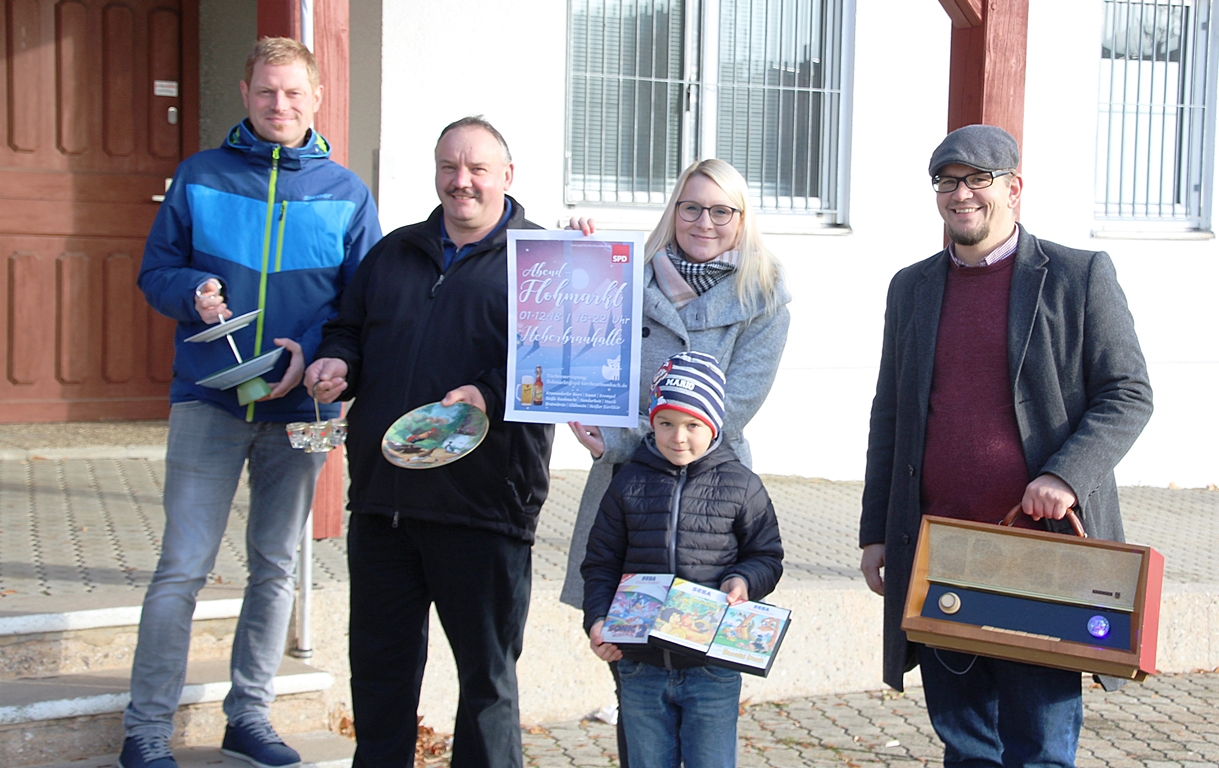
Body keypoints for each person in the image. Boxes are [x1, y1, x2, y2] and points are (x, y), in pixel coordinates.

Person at [858, 124, 1153, 768]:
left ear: (1013, 189)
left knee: (1040, 746)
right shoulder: (911, 287)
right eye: (947, 181)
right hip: (943, 551)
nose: (960, 194)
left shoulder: (1079, 275)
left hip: (1040, 555)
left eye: (977, 179)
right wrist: (876, 531)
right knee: (965, 744)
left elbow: (1129, 393)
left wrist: (1067, 476)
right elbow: (890, 416)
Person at [123, 38, 381, 768]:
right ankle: (146, 730)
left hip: (297, 411)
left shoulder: (345, 193)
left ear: (316, 98)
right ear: (245, 93)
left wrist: (310, 350)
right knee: (181, 566)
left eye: (293, 94)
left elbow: (360, 308)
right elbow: (155, 272)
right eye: (267, 92)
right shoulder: (199, 177)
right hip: (206, 402)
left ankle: (250, 715)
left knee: (273, 566)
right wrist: (189, 293)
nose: (279, 106)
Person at [303, 116, 554, 768]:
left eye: (476, 168)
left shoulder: (544, 262)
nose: (461, 181)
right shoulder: (395, 251)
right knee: (380, 681)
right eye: (449, 166)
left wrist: (489, 399)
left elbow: (562, 363)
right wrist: (337, 363)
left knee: (486, 686)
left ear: (506, 176)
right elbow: (347, 328)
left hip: (482, 507)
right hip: (384, 504)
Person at [560, 159, 790, 763]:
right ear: (673, 211)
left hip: (713, 503)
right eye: (691, 207)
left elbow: (731, 411)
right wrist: (577, 258)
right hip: (632, 495)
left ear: (742, 220)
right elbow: (572, 328)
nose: (704, 222)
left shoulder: (764, 296)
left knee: (704, 694)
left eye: (722, 211)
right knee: (635, 687)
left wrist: (623, 437)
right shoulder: (627, 276)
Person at [581, 351, 784, 768]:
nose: (678, 437)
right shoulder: (627, 484)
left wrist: (743, 581)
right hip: (640, 665)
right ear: (651, 423)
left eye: (693, 425)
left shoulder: (741, 485)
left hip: (712, 669)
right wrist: (598, 620)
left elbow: (766, 555)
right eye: (665, 424)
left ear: (713, 425)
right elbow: (601, 563)